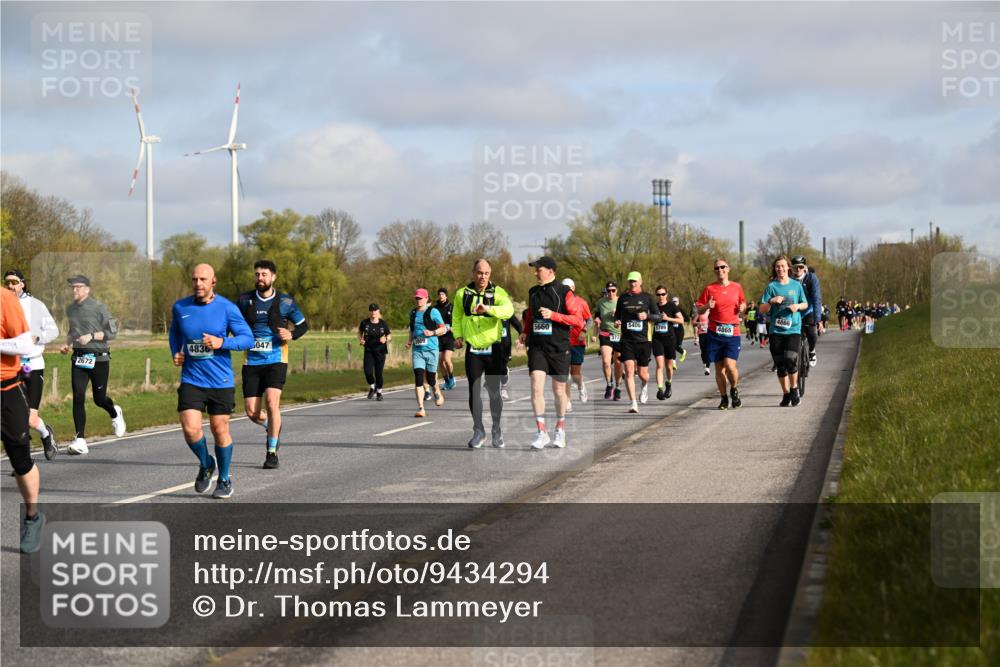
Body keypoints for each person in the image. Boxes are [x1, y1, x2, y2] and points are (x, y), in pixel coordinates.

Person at [170, 264, 254, 499]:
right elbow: (175, 333)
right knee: (190, 428)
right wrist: (175, 352)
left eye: (203, 279)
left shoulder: (227, 308)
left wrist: (222, 343)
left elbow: (247, 339)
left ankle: (224, 479)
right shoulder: (180, 307)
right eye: (195, 279)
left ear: (213, 282)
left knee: (219, 429)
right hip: (192, 378)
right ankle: (206, 462)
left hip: (220, 380)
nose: (198, 283)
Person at [236, 260, 308, 470]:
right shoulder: (244, 300)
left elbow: (303, 326)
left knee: (271, 403)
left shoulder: (285, 302)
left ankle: (272, 452)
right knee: (252, 412)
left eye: (264, 274)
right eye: (257, 274)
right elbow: (230, 323)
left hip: (276, 359)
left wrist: (292, 334)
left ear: (273, 277)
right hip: (251, 361)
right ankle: (272, 427)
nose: (260, 278)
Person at [520, 256, 585, 449]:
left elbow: (578, 320)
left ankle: (560, 430)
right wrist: (525, 332)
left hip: (558, 347)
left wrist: (553, 315)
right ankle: (542, 433)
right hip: (537, 347)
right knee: (536, 386)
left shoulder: (564, 292)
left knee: (559, 391)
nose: (535, 273)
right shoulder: (533, 292)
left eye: (538, 269)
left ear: (550, 271)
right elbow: (530, 315)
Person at [60, 275, 126, 455]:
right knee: (78, 396)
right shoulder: (70, 309)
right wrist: (67, 343)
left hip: (99, 359)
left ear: (87, 289)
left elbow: (113, 332)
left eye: (78, 287)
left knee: (99, 399)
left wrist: (91, 336)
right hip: (79, 358)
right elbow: (73, 331)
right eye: (73, 287)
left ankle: (115, 412)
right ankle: (80, 440)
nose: (74, 290)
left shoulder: (99, 307)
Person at [452, 259, 514, 448]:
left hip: (493, 348)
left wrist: (488, 309)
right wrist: (457, 335)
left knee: (494, 392)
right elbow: (457, 316)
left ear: (490, 274)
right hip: (473, 349)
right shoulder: (462, 293)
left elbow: (509, 310)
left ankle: (496, 429)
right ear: (473, 273)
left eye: (486, 273)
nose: (483, 277)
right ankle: (479, 431)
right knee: (474, 389)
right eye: (479, 273)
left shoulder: (497, 292)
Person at [1, 288, 46, 553]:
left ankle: (33, 516)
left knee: (19, 458)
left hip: (7, 389)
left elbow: (25, 344)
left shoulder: (5, 299)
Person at [4, 269, 60, 460]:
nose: (10, 286)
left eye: (14, 282)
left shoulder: (36, 305)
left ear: (22, 284)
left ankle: (46, 435)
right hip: (11, 368)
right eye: (7, 282)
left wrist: (37, 337)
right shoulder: (3, 305)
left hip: (33, 366)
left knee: (30, 419)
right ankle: (23, 460)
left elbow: (53, 331)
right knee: (16, 417)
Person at [696, 258, 746, 410]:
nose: (720, 270)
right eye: (717, 268)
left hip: (732, 332)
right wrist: (707, 306)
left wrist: (742, 307)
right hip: (715, 333)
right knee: (719, 369)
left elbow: (743, 303)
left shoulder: (737, 287)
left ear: (728, 269)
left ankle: (734, 389)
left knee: (730, 366)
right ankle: (724, 398)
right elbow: (699, 309)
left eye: (723, 267)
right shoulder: (709, 288)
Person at [759, 256, 809, 407]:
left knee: (790, 359)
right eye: (777, 267)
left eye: (782, 266)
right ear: (775, 269)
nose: (780, 269)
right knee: (780, 364)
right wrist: (771, 301)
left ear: (788, 267)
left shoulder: (796, 285)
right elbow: (761, 309)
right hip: (776, 330)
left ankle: (794, 390)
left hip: (793, 329)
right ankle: (786, 394)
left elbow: (805, 304)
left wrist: (797, 306)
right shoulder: (771, 287)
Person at [614, 271, 660, 414]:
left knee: (642, 373)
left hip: (643, 341)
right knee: (628, 370)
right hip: (627, 340)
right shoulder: (623, 298)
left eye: (635, 281)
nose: (632, 284)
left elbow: (658, 317)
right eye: (630, 281)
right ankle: (633, 402)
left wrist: (647, 316)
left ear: (640, 282)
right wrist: (617, 321)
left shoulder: (648, 298)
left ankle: (644, 385)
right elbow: (617, 315)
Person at [406, 288, 446, 418]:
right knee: (418, 377)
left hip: (431, 349)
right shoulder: (413, 313)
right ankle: (421, 408)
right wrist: (409, 341)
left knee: (430, 378)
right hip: (417, 350)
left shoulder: (433, 312)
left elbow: (443, 328)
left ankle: (436, 391)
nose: (418, 300)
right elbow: (412, 330)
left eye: (421, 298)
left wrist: (432, 332)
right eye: (417, 298)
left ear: (426, 299)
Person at [561, 278, 592, 412]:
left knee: (574, 374)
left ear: (573, 288)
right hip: (563, 341)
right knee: (564, 373)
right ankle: (567, 400)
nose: (566, 291)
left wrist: (584, 331)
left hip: (577, 341)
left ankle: (580, 385)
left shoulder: (581, 302)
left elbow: (589, 320)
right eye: (563, 288)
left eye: (568, 288)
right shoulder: (558, 303)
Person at [593, 281, 624, 401]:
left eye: (613, 290)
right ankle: (609, 384)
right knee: (606, 361)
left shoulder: (621, 301)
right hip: (605, 333)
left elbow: (628, 317)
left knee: (618, 362)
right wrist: (597, 319)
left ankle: (618, 387)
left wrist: (619, 316)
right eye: (608, 290)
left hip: (618, 334)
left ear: (617, 290)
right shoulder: (601, 302)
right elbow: (597, 315)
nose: (611, 293)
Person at [791, 256, 822, 368]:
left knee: (812, 333)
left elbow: (816, 298)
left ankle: (812, 351)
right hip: (795, 311)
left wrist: (818, 319)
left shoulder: (811, 278)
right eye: (795, 267)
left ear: (804, 267)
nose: (798, 269)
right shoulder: (789, 279)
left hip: (809, 310)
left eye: (800, 267)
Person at [652, 286, 680, 398]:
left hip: (669, 339)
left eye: (663, 294)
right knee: (659, 365)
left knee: (668, 366)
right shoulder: (654, 306)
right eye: (658, 294)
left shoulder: (672, 306)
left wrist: (668, 319)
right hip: (657, 339)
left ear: (666, 294)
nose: (661, 296)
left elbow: (681, 320)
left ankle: (668, 384)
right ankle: (660, 389)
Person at [359, 303, 391, 401]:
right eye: (372, 310)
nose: (373, 312)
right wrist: (361, 339)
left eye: (375, 310)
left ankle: (379, 393)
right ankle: (373, 386)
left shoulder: (383, 324)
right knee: (367, 372)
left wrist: (385, 339)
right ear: (369, 312)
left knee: (378, 374)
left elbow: (389, 336)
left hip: (380, 352)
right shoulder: (365, 323)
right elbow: (360, 332)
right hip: (369, 351)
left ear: (378, 311)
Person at [433, 288, 457, 390]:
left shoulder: (451, 307)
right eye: (439, 294)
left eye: (443, 294)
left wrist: (449, 328)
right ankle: (447, 381)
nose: (441, 296)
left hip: (449, 337)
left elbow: (456, 322)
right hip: (438, 337)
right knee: (440, 361)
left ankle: (451, 378)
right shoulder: (435, 309)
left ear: (446, 296)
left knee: (447, 359)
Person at [499, 312, 523, 400]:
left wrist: (521, 338)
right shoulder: (486, 309)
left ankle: (503, 387)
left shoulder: (506, 310)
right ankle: (496, 389)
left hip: (504, 345)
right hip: (490, 344)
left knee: (502, 368)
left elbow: (518, 325)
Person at [665, 296, 687, 365]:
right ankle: (673, 362)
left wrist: (679, 319)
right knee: (672, 346)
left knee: (677, 346)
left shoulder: (680, 310)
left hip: (679, 331)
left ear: (678, 302)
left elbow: (687, 319)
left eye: (676, 301)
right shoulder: (670, 309)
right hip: (672, 330)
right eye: (673, 301)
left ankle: (683, 351)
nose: (674, 303)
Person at [694, 306, 711, 375]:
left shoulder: (711, 311)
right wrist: (699, 323)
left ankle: (707, 367)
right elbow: (693, 321)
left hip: (709, 333)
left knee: (708, 350)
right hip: (701, 333)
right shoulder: (700, 312)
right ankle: (705, 363)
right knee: (703, 351)